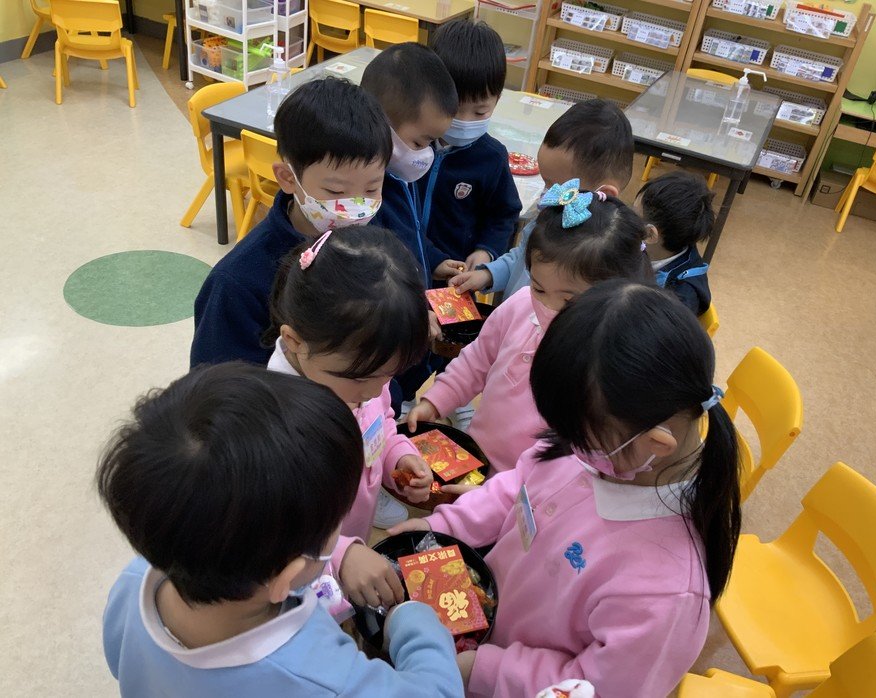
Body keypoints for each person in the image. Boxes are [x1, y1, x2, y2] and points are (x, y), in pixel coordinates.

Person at [391, 280, 742, 697]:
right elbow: (517, 487)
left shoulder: (664, 592)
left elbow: (597, 688)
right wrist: (440, 529)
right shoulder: (602, 451)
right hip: (480, 627)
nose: (568, 447)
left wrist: (483, 669)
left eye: (581, 438)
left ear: (656, 443)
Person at [99, 364, 463, 698]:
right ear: (286, 578)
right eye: (336, 524)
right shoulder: (327, 679)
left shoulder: (134, 582)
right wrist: (414, 622)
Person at [407, 180, 651, 477]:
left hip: (531, 489)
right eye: (539, 288)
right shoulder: (520, 305)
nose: (548, 306)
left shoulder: (606, 365)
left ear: (618, 293)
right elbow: (477, 360)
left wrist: (509, 494)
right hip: (477, 461)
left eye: (569, 300)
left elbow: (584, 463)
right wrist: (436, 401)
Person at [266, 226, 434, 599]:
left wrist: (397, 457)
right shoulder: (274, 429)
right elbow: (272, 529)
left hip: (353, 540)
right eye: (361, 378)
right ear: (294, 341)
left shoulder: (360, 373)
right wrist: (341, 554)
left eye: (389, 375)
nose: (375, 390)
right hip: (305, 575)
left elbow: (381, 423)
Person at [190, 78, 391, 368]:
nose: (356, 210)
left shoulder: (375, 233)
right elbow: (215, 386)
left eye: (372, 189)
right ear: (287, 178)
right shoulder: (237, 283)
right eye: (335, 192)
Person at [450, 99, 634, 300]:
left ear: (603, 195)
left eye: (557, 187)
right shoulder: (547, 218)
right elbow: (521, 259)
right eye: (546, 182)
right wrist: (488, 274)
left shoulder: (599, 256)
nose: (546, 195)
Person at [361, 43, 463, 288]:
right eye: (419, 142)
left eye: (431, 143)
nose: (426, 154)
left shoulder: (400, 174)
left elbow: (409, 232)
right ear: (381, 124)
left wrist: (433, 260)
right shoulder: (366, 195)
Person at [421, 18, 522, 269]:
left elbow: (503, 215)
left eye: (480, 112)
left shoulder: (491, 157)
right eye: (454, 109)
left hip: (455, 272)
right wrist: (431, 258)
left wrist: (486, 251)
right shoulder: (411, 145)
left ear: (497, 99)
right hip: (401, 263)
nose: (464, 122)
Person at [637, 171, 715, 315]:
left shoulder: (683, 295)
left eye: (633, 215)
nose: (626, 218)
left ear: (650, 234)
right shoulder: (675, 240)